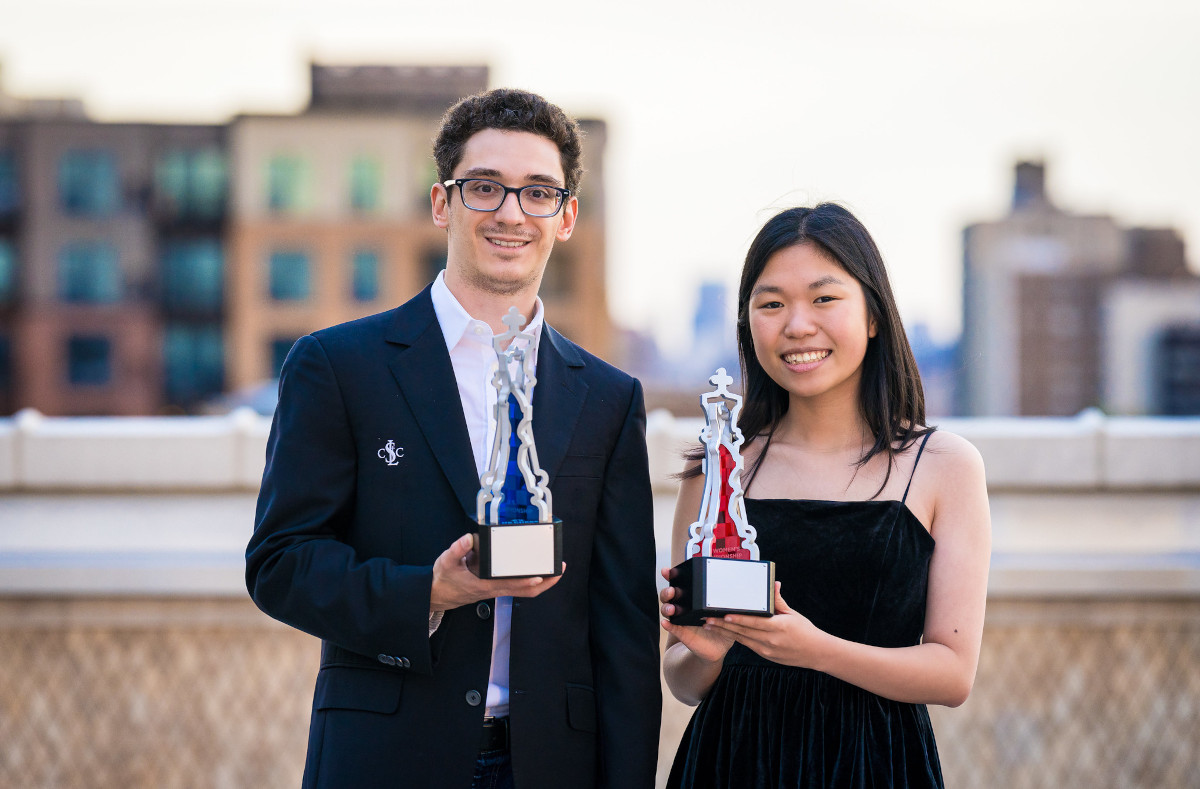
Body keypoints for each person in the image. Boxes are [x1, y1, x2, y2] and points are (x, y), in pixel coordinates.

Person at [246, 88, 661, 789]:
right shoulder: (339, 366)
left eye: (538, 193)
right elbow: (281, 564)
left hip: (552, 765)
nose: (510, 212)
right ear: (442, 203)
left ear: (566, 218)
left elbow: (623, 633)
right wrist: (429, 594)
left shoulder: (611, 399)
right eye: (485, 188)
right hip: (385, 758)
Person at [659, 204, 991, 788]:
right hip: (731, 761)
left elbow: (952, 674)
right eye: (771, 304)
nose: (796, 325)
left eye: (824, 298)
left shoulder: (943, 467)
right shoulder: (715, 468)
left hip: (876, 763)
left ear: (872, 316)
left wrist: (815, 649)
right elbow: (683, 682)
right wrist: (705, 651)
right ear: (747, 325)